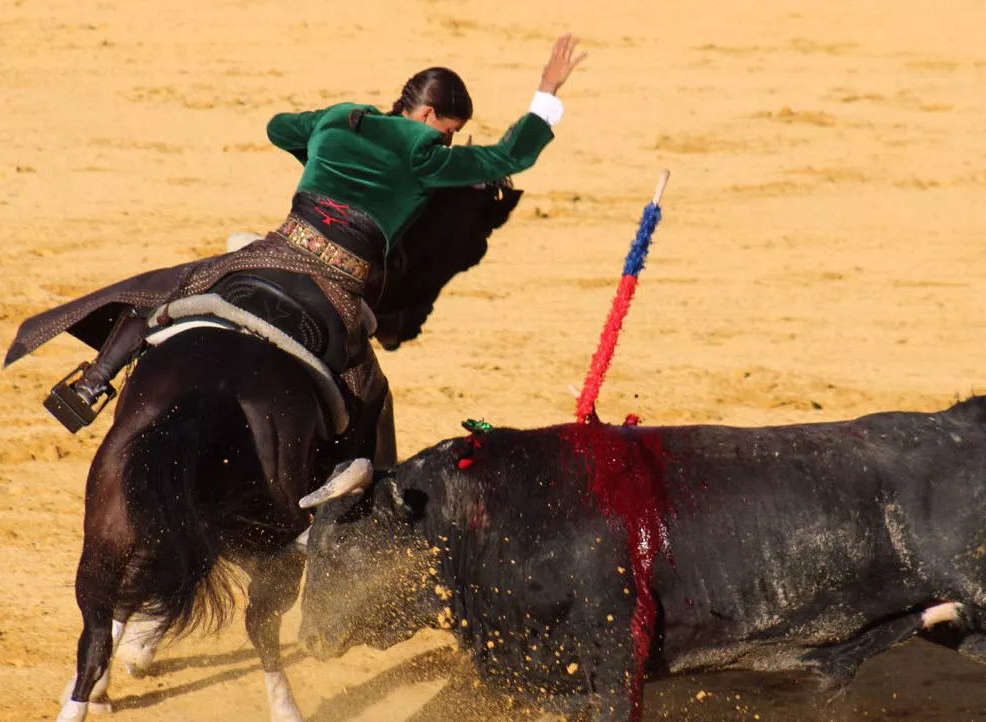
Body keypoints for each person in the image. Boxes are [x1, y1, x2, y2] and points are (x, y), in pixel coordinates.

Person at [39, 35, 587, 432]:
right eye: (448, 132)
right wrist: (546, 92)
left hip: (281, 244)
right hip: (339, 279)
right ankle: (352, 500)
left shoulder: (342, 118)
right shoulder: (422, 152)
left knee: (171, 294)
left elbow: (278, 127)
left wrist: (320, 156)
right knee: (366, 393)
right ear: (426, 115)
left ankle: (93, 381)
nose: (447, 144)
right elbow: (510, 156)